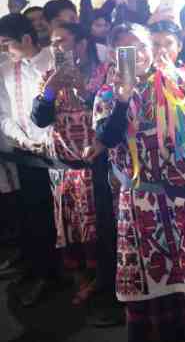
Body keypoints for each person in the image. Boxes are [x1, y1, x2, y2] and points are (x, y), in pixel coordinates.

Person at [93, 23, 185, 341]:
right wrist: (123, 98)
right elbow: (108, 138)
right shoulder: (108, 94)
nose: (137, 54)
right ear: (112, 55)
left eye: (141, 46)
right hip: (143, 205)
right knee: (154, 288)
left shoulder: (179, 80)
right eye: (126, 49)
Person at [30, 22, 108, 309]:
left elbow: (108, 117)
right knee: (70, 228)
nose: (58, 48)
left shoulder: (101, 75)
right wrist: (51, 88)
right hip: (62, 166)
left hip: (93, 166)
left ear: (81, 44)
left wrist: (82, 90)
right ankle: (80, 280)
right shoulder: (47, 78)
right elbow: (39, 118)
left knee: (97, 228)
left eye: (63, 42)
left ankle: (102, 284)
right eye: (54, 43)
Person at [0, 13, 57, 307]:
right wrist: (22, 139)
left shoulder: (52, 61)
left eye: (6, 44)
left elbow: (60, 107)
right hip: (24, 152)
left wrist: (44, 141)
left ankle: (54, 273)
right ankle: (38, 270)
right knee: (31, 212)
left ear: (25, 39)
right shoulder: (7, 70)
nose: (3, 51)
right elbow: (4, 114)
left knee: (57, 214)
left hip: (56, 156)